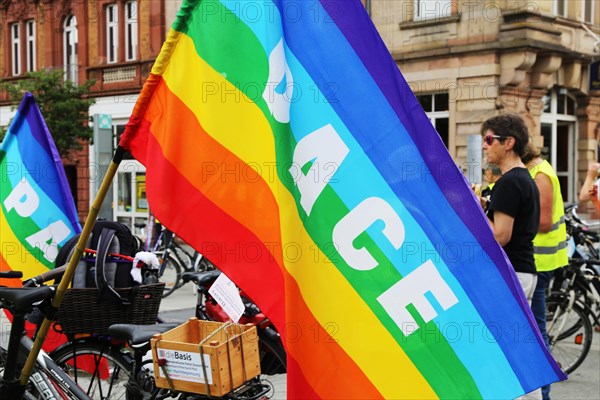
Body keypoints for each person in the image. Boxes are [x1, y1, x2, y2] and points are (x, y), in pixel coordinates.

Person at [480, 114, 541, 400]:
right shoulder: (522, 179)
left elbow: (500, 235)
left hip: (510, 271)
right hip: (523, 269)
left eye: (489, 139)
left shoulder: (509, 183)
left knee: (503, 351)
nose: (484, 146)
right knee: (518, 346)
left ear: (509, 143)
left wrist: (476, 210)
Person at [523, 144, 568, 400]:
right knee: (533, 328)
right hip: (534, 262)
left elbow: (544, 222)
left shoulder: (542, 174)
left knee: (537, 330)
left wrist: (511, 217)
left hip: (541, 263)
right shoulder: (533, 172)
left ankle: (545, 393)